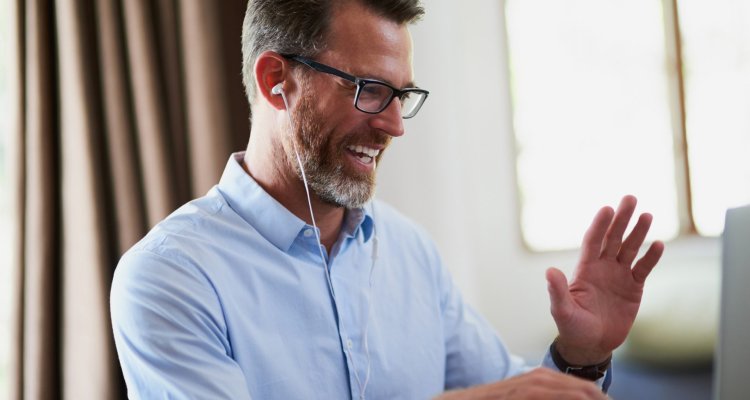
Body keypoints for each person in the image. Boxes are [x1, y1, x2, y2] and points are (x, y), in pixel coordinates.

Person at [110, 0, 665, 399]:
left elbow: (515, 394)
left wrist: (579, 357)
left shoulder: (409, 251)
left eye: (402, 95)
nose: (395, 126)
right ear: (276, 78)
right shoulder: (168, 278)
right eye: (370, 90)